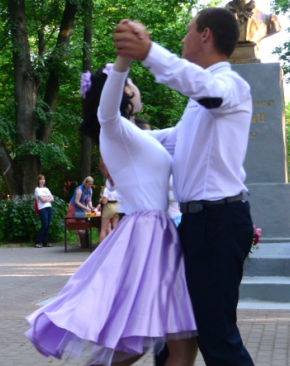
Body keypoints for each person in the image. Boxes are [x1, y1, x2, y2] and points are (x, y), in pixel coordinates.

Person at [25, 55, 198, 365]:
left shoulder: (139, 137)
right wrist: (122, 63)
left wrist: (204, 87)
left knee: (172, 339)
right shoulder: (113, 130)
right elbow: (107, 111)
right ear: (124, 93)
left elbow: (184, 131)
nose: (135, 87)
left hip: (156, 233)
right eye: (132, 84)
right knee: (165, 338)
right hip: (148, 235)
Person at [114, 7, 255, 365]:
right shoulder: (199, 103)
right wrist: (115, 135)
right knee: (176, 326)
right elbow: (169, 140)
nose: (182, 39)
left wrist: (148, 53)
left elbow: (203, 87)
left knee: (216, 336)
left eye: (188, 31)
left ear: (205, 35)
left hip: (218, 223)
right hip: (198, 224)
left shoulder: (230, 86)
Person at [35, 174, 55, 248]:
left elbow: (52, 199)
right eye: (41, 179)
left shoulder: (46, 189)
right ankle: (37, 242)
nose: (42, 181)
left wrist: (46, 199)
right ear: (38, 181)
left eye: (43, 179)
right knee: (44, 225)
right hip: (42, 209)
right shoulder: (37, 189)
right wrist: (47, 199)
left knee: (47, 226)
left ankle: (45, 242)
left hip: (49, 207)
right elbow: (42, 200)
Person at [99, 178, 121, 243]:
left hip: (109, 207)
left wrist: (101, 199)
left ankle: (100, 247)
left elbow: (104, 202)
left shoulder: (107, 189)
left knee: (103, 229)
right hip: (117, 206)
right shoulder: (117, 188)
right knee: (115, 227)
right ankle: (115, 243)